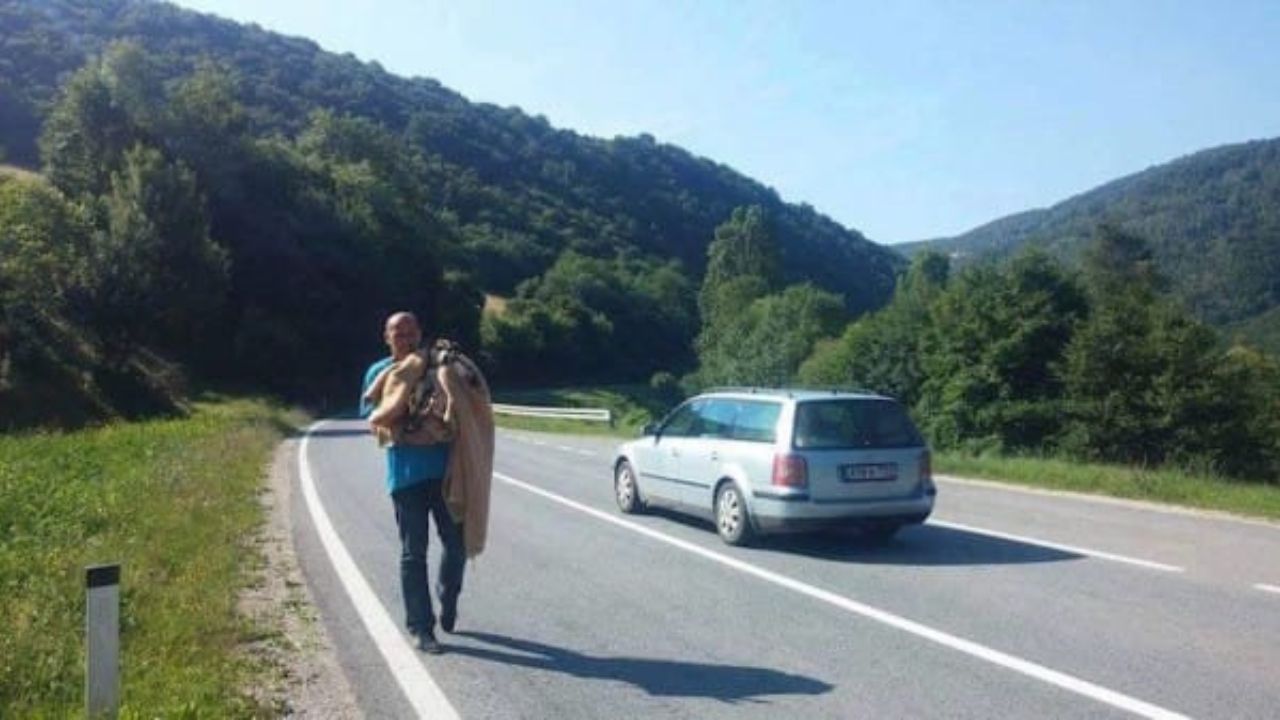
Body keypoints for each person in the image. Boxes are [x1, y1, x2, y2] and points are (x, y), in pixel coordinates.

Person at [361, 311, 464, 656]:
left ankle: (448, 592)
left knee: (457, 544)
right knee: (413, 553)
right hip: (405, 478)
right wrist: (408, 415)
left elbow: (466, 406)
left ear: (419, 333)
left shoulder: (439, 367)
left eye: (409, 332)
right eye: (397, 333)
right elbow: (374, 421)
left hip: (447, 474)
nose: (404, 338)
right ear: (386, 337)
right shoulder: (378, 373)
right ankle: (421, 628)